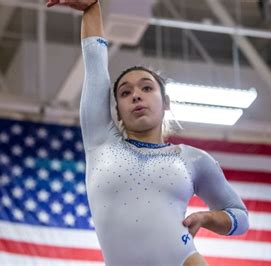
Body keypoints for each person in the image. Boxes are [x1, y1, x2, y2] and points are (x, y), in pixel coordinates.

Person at [47, 1, 249, 265]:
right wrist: (92, 8)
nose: (136, 96)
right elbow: (95, 65)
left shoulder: (193, 160)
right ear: (117, 111)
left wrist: (208, 217)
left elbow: (240, 217)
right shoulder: (100, 143)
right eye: (125, 93)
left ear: (165, 103)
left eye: (146, 88)